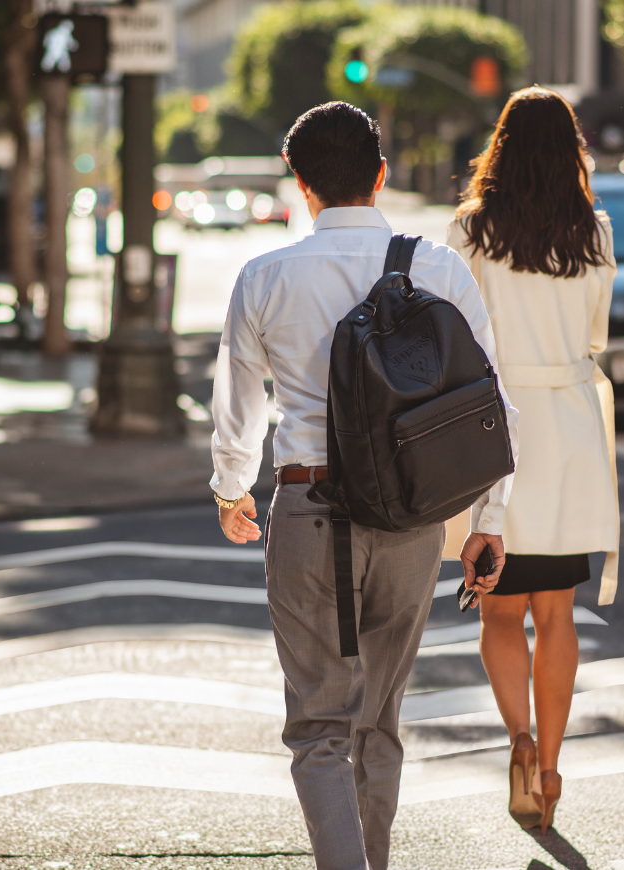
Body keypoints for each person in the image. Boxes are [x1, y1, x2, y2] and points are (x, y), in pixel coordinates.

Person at [210, 101, 518, 870]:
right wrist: (491, 517)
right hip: (412, 519)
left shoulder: (264, 277)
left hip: (308, 511)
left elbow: (238, 408)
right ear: (380, 176)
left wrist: (231, 489)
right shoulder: (438, 268)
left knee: (318, 727)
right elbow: (493, 404)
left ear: (300, 183)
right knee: (378, 720)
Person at [445, 87, 621, 834]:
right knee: (558, 615)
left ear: (502, 146)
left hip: (493, 433)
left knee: (498, 607)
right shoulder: (595, 232)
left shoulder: (469, 230)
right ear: (571, 148)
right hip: (570, 428)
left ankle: (515, 738)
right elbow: (596, 337)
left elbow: (449, 334)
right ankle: (550, 768)